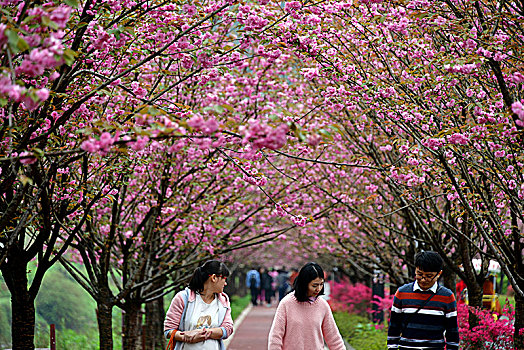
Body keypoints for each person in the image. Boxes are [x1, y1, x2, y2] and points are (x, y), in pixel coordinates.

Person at [387, 251, 459, 350]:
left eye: (429, 276)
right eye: (419, 274)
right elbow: (394, 326)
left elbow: (452, 331)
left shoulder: (447, 297)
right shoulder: (402, 293)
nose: (423, 280)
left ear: (439, 274)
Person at [268, 262, 345, 350]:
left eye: (321, 284)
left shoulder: (323, 305)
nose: (318, 289)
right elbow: (275, 337)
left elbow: (334, 338)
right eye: (314, 285)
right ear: (304, 284)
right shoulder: (286, 303)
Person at [164, 260, 233, 350]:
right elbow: (169, 330)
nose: (225, 283)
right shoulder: (183, 298)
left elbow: (228, 329)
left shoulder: (223, 301)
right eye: (224, 278)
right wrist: (185, 337)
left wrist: (204, 333)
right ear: (214, 277)